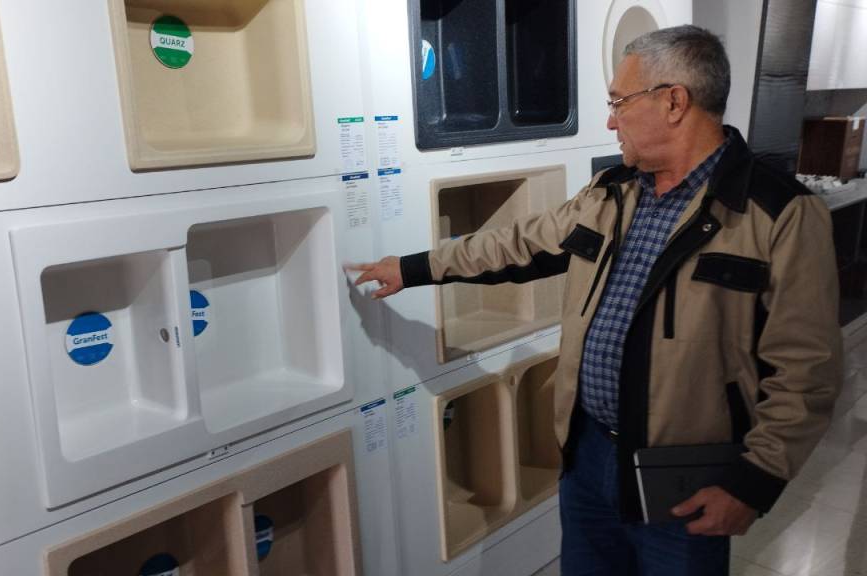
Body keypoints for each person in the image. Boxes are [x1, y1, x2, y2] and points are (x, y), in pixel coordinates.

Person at [349, 25, 842, 575]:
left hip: (684, 477)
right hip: (587, 457)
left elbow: (807, 370)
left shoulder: (778, 212)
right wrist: (413, 268)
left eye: (618, 103)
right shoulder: (611, 192)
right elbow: (516, 244)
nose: (610, 121)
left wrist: (754, 482)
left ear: (674, 102)